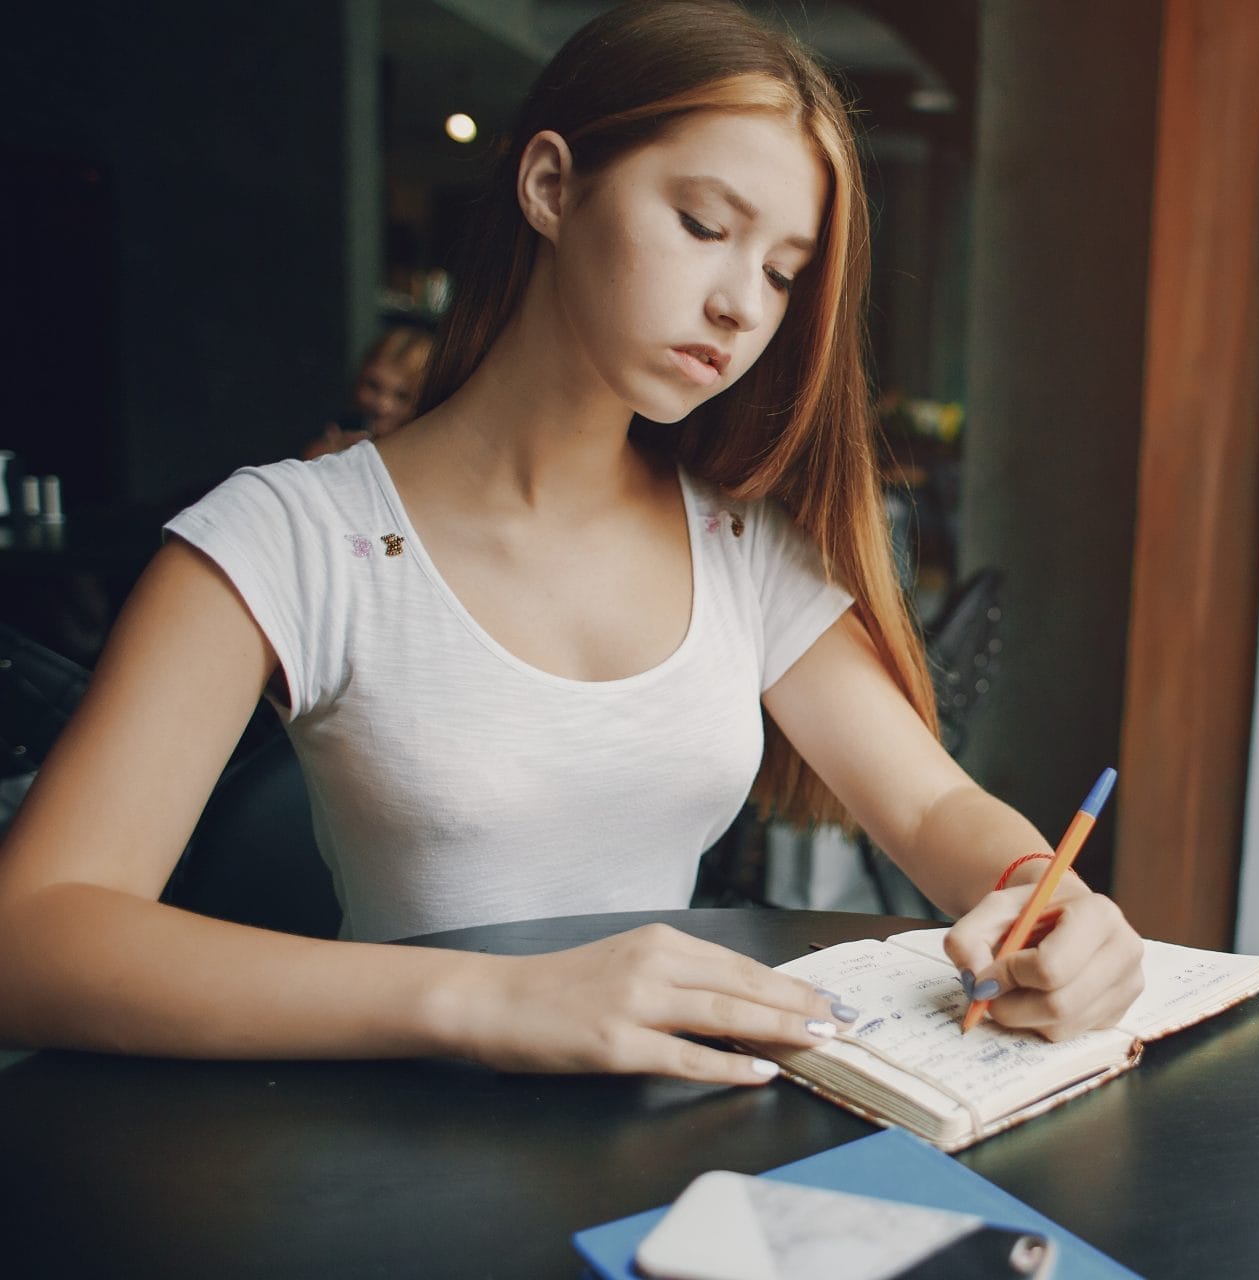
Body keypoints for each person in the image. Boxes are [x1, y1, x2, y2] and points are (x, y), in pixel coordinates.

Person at [0, 0, 1145, 1085]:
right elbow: (34, 936)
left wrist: (1036, 896)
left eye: (784, 273)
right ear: (551, 185)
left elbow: (933, 808)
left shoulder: (740, 545)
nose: (743, 303)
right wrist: (495, 998)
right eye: (704, 226)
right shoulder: (296, 538)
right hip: (394, 1153)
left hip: (672, 1142)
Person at [301, 327, 434, 460]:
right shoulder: (329, 445)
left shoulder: (428, 461)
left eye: (402, 396)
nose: (383, 405)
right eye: (373, 386)